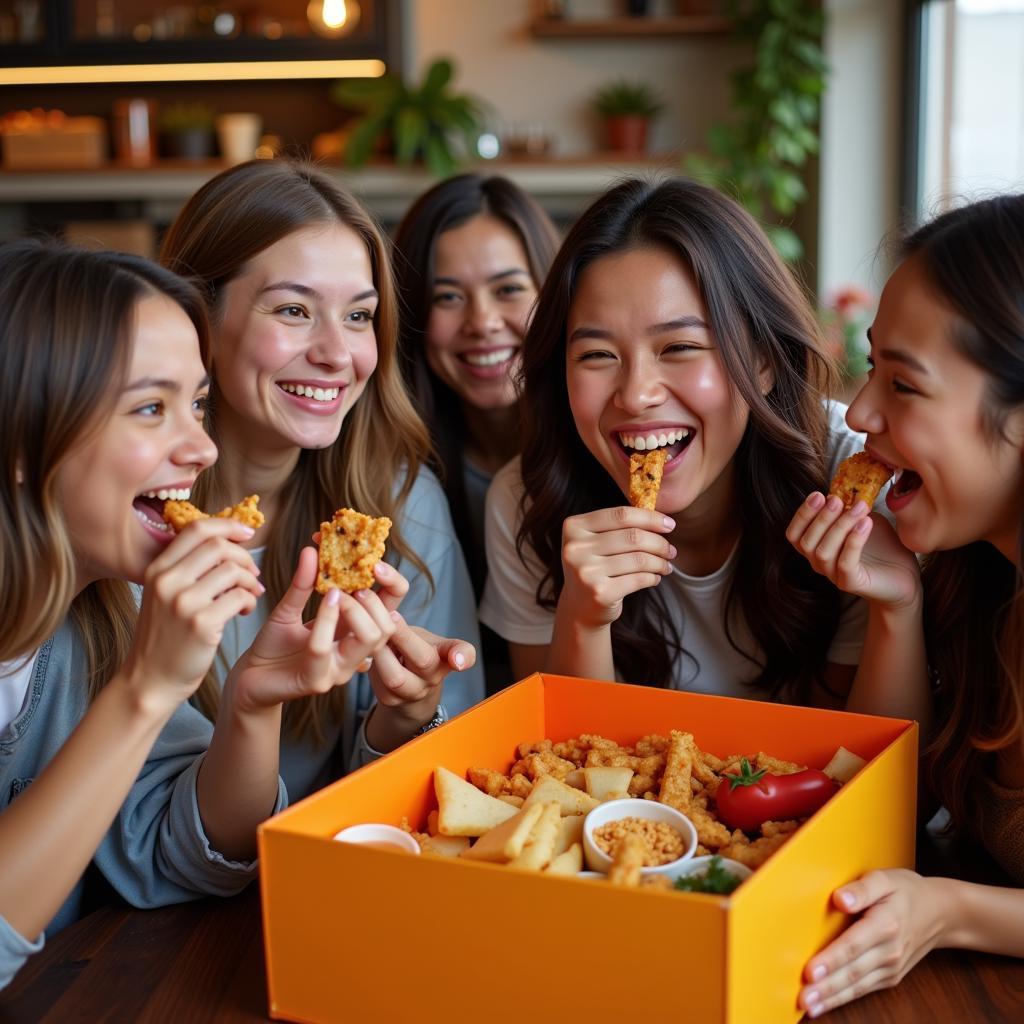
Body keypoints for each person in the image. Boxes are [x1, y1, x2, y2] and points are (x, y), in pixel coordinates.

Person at [0, 241, 338, 988]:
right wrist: (144, 691)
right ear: (21, 438)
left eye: (196, 404)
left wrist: (253, 701)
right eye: (151, 408)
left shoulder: (98, 612)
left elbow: (185, 857)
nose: (203, 447)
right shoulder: (125, 645)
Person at [480, 177, 875, 707]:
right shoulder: (531, 499)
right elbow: (561, 769)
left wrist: (899, 607)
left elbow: (871, 757)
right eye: (597, 355)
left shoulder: (842, 477)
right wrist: (583, 618)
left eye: (681, 346)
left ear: (760, 360)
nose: (637, 393)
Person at [160, 160, 485, 800]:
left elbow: (454, 782)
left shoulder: (400, 504)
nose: (337, 354)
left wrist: (408, 715)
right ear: (198, 317)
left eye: (359, 316)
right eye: (293, 310)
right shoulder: (129, 523)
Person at [785, 193, 1024, 1017]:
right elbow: (895, 807)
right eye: (871, 365)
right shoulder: (979, 577)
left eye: (904, 384)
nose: (859, 414)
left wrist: (954, 911)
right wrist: (895, 607)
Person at [393, 174, 559, 693]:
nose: (482, 322)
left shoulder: (614, 448)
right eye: (447, 297)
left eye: (508, 289)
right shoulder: (398, 478)